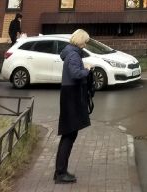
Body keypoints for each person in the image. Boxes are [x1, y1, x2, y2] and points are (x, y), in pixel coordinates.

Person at [55, 29, 93, 184]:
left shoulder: (71, 52)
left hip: (69, 96)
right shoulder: (73, 54)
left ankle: (60, 171)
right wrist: (87, 69)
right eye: (85, 41)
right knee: (69, 135)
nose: (85, 45)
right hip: (71, 97)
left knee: (69, 134)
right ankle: (60, 173)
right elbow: (76, 74)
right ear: (79, 40)